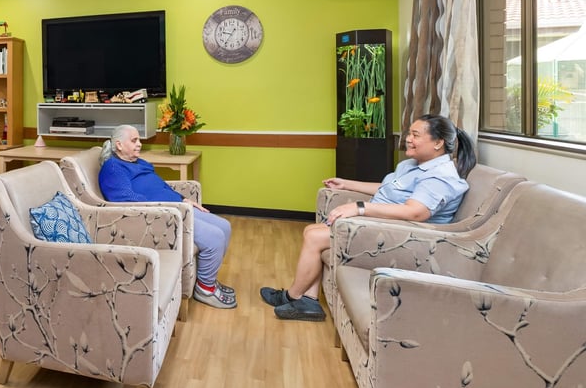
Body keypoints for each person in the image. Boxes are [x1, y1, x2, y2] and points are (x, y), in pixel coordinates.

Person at [260, 114, 476, 322]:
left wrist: (360, 208)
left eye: (415, 135)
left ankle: (293, 296)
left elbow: (415, 212)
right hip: (384, 224)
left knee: (315, 237)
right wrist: (347, 183)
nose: (408, 139)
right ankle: (308, 301)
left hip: (407, 237)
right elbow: (387, 189)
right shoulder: (412, 165)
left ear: (438, 143)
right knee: (312, 231)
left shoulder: (440, 176)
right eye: (409, 133)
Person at [98, 124, 237, 309]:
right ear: (119, 145)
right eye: (134, 140)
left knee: (225, 226)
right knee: (215, 238)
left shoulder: (138, 163)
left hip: (178, 208)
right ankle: (205, 289)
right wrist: (168, 207)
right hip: (163, 217)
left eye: (139, 140)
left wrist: (184, 199)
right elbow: (127, 200)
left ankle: (208, 279)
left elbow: (161, 185)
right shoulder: (113, 168)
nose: (139, 144)